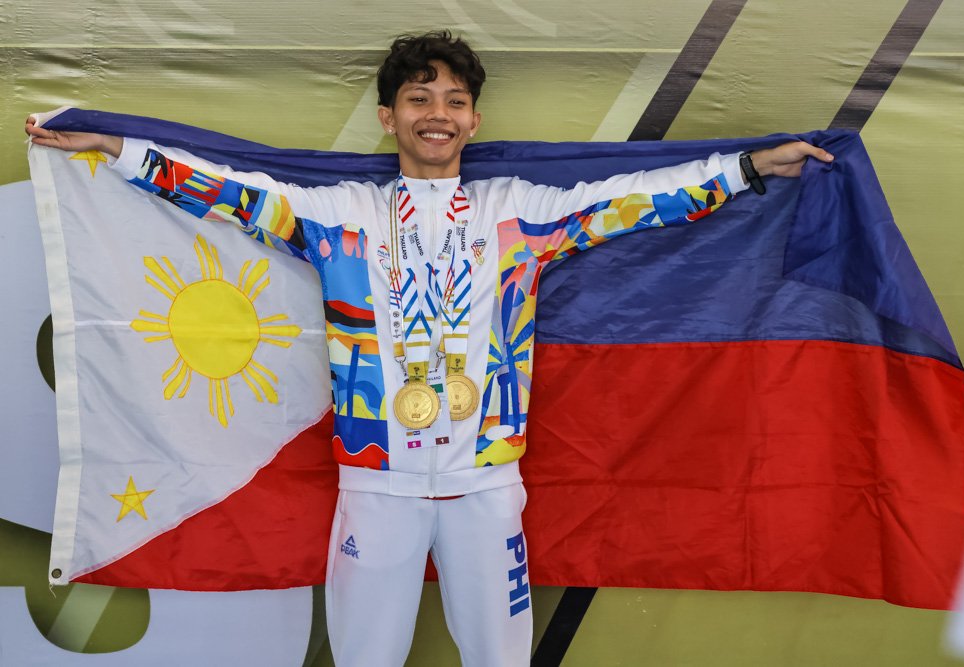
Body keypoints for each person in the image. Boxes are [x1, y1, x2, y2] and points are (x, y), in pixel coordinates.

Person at [26, 30, 833, 667]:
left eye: (454, 99)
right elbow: (229, 190)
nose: (437, 113)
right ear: (390, 116)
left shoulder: (518, 212)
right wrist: (116, 151)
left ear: (475, 118)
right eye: (419, 98)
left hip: (488, 487)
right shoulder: (336, 212)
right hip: (376, 486)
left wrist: (750, 167)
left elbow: (640, 201)